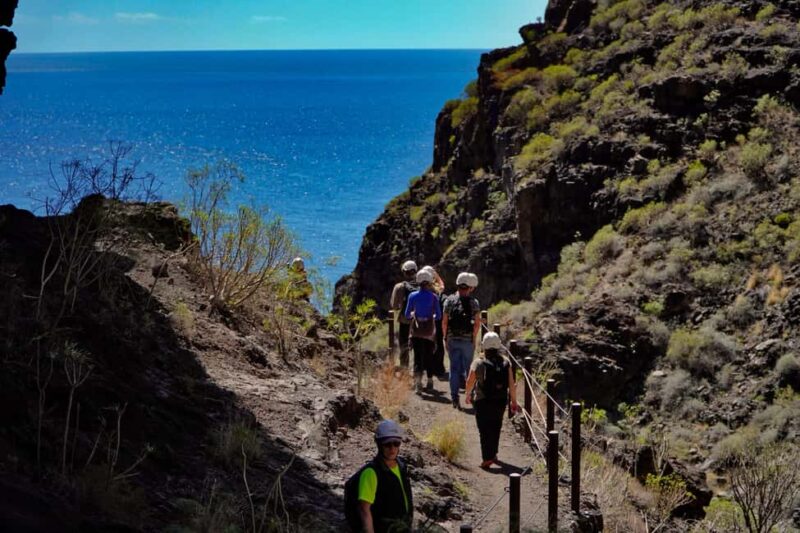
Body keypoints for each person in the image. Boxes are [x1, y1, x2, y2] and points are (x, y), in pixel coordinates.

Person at [465, 332, 518, 469]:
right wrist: (514, 402)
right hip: (500, 399)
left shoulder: (478, 362)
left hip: (482, 400)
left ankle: (487, 458)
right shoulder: (506, 362)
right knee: (496, 426)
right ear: (498, 345)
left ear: (484, 346)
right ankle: (493, 454)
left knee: (484, 429)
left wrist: (467, 394)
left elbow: (470, 381)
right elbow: (511, 384)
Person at [357, 420, 413, 533]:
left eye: (396, 443)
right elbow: (364, 510)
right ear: (379, 445)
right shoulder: (370, 472)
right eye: (387, 444)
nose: (392, 448)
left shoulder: (401, 466)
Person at [442, 272, 481, 409]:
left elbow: (444, 322)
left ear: (457, 285)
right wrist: (473, 338)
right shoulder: (474, 302)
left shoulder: (449, 301)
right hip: (467, 340)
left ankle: (454, 398)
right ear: (469, 287)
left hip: (453, 339)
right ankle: (470, 395)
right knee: (470, 369)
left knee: (454, 369)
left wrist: (445, 337)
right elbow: (477, 324)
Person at [404, 269, 442, 394]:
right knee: (429, 355)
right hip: (429, 331)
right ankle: (430, 381)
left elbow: (407, 315)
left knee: (417, 357)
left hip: (416, 331)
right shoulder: (434, 297)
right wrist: (430, 317)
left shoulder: (412, 296)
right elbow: (438, 316)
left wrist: (414, 314)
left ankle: (418, 384)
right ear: (430, 282)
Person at [390, 260, 418, 368]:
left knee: (404, 345)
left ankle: (404, 369)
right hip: (421, 321)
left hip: (405, 320)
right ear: (415, 271)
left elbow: (394, 306)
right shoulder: (424, 285)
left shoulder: (399, 287)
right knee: (419, 345)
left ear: (404, 272)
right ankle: (418, 369)